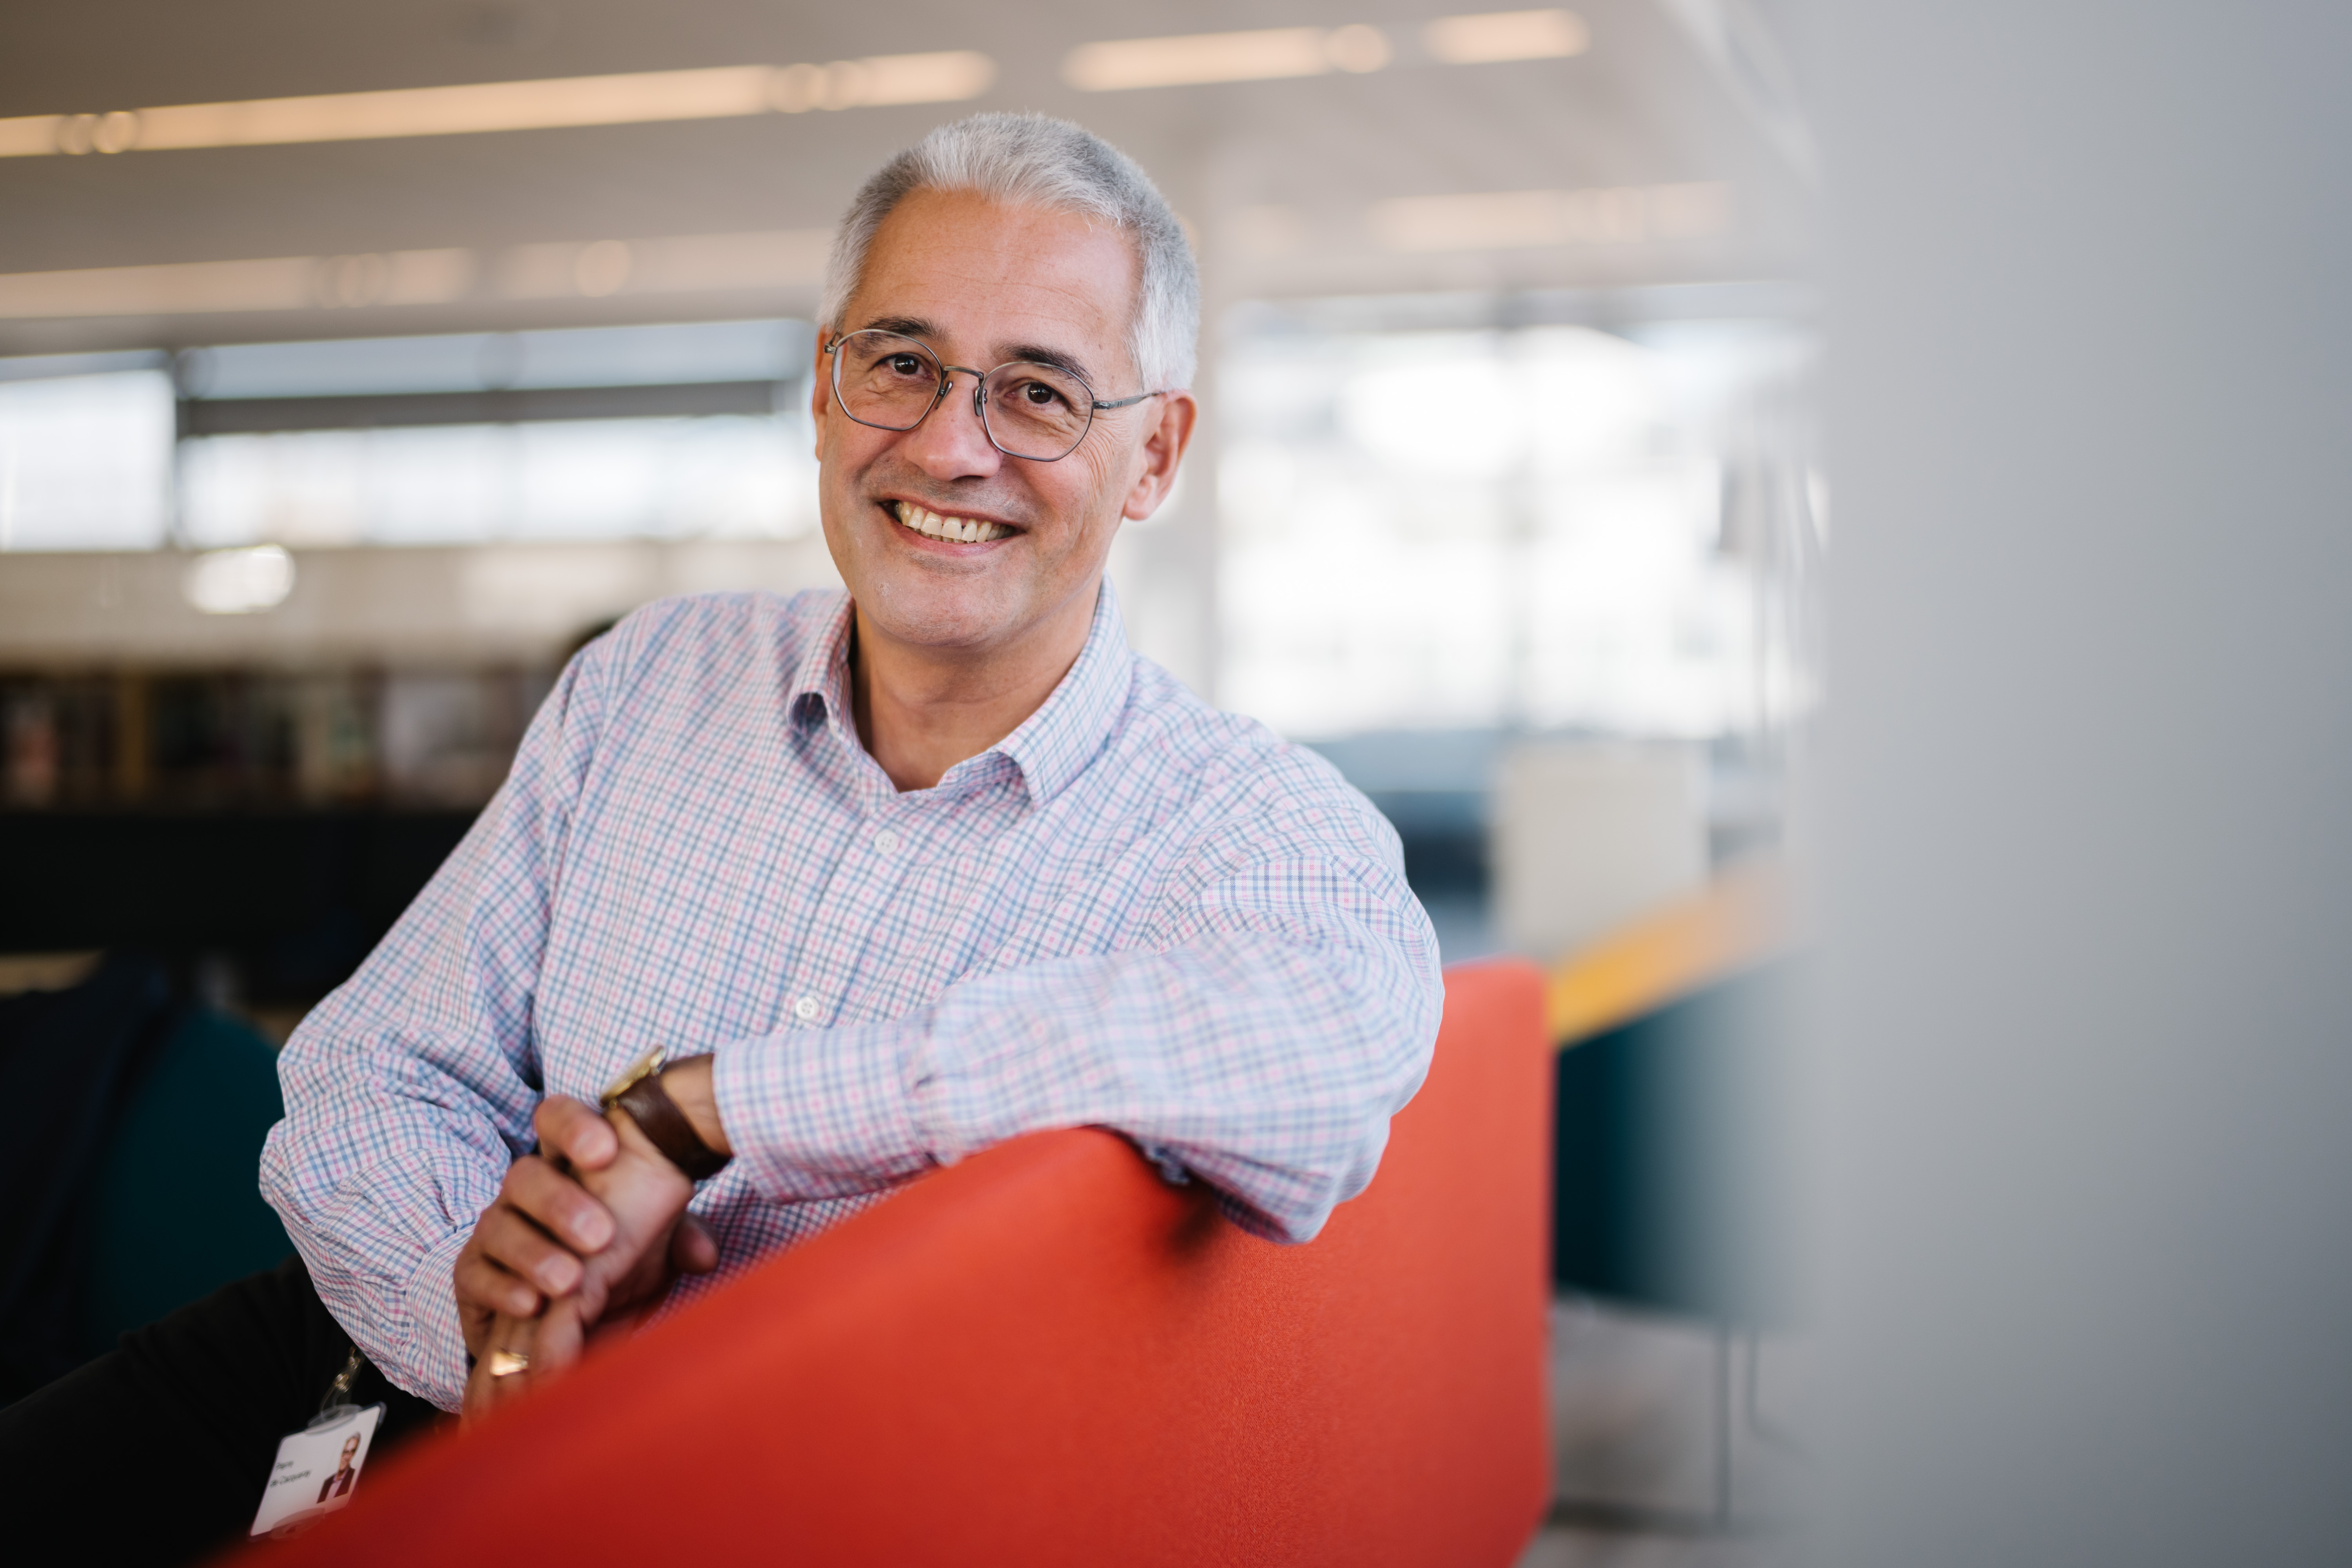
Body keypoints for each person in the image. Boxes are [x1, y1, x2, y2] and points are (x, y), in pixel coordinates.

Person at [0, 111, 1441, 1562]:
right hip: (375, 1367)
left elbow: (1312, 1067)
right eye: (902, 364)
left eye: (1040, 393)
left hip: (763, 1506)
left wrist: (703, 1115)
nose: (953, 446)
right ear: (823, 390)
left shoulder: (1250, 828)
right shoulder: (652, 678)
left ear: (1156, 455)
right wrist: (498, 1329)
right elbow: (376, 1070)